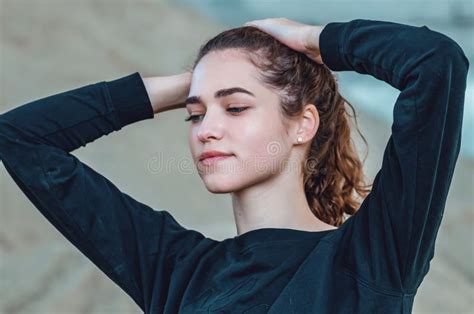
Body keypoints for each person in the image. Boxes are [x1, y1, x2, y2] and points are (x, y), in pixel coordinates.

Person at [0, 17, 468, 313]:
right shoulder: (176, 272)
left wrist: (312, 38)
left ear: (303, 124)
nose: (205, 129)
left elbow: (436, 63)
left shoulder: (372, 256)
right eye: (195, 113)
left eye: (237, 107)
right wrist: (194, 81)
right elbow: (20, 138)